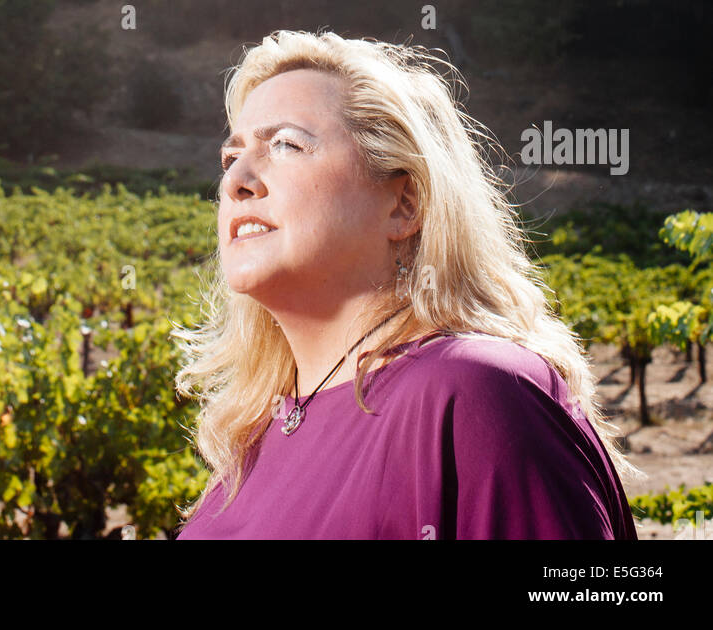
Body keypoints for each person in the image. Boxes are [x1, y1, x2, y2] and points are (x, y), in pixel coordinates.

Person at [172, 31, 640, 540]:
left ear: (405, 204)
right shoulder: (252, 441)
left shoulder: (475, 393)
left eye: (285, 144)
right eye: (229, 157)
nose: (236, 179)